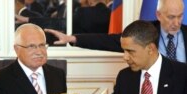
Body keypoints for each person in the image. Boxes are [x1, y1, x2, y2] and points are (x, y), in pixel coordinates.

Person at [63, 20, 187, 94]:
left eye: (130, 51)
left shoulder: (182, 75)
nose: (125, 57)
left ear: (150, 48)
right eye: (124, 50)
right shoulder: (125, 78)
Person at [45, 0, 187, 63]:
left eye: (180, 16)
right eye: (171, 17)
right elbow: (109, 41)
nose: (176, 23)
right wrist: (73, 39)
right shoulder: (147, 32)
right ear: (158, 15)